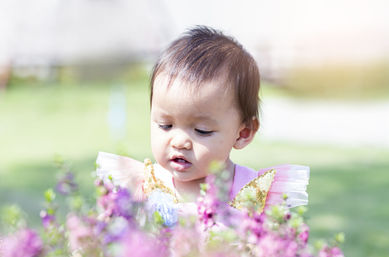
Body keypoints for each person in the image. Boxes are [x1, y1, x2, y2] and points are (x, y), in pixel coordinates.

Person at [96, 26, 309, 212]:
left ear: (243, 133)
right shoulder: (139, 186)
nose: (179, 142)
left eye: (202, 130)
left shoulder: (254, 193)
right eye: (165, 125)